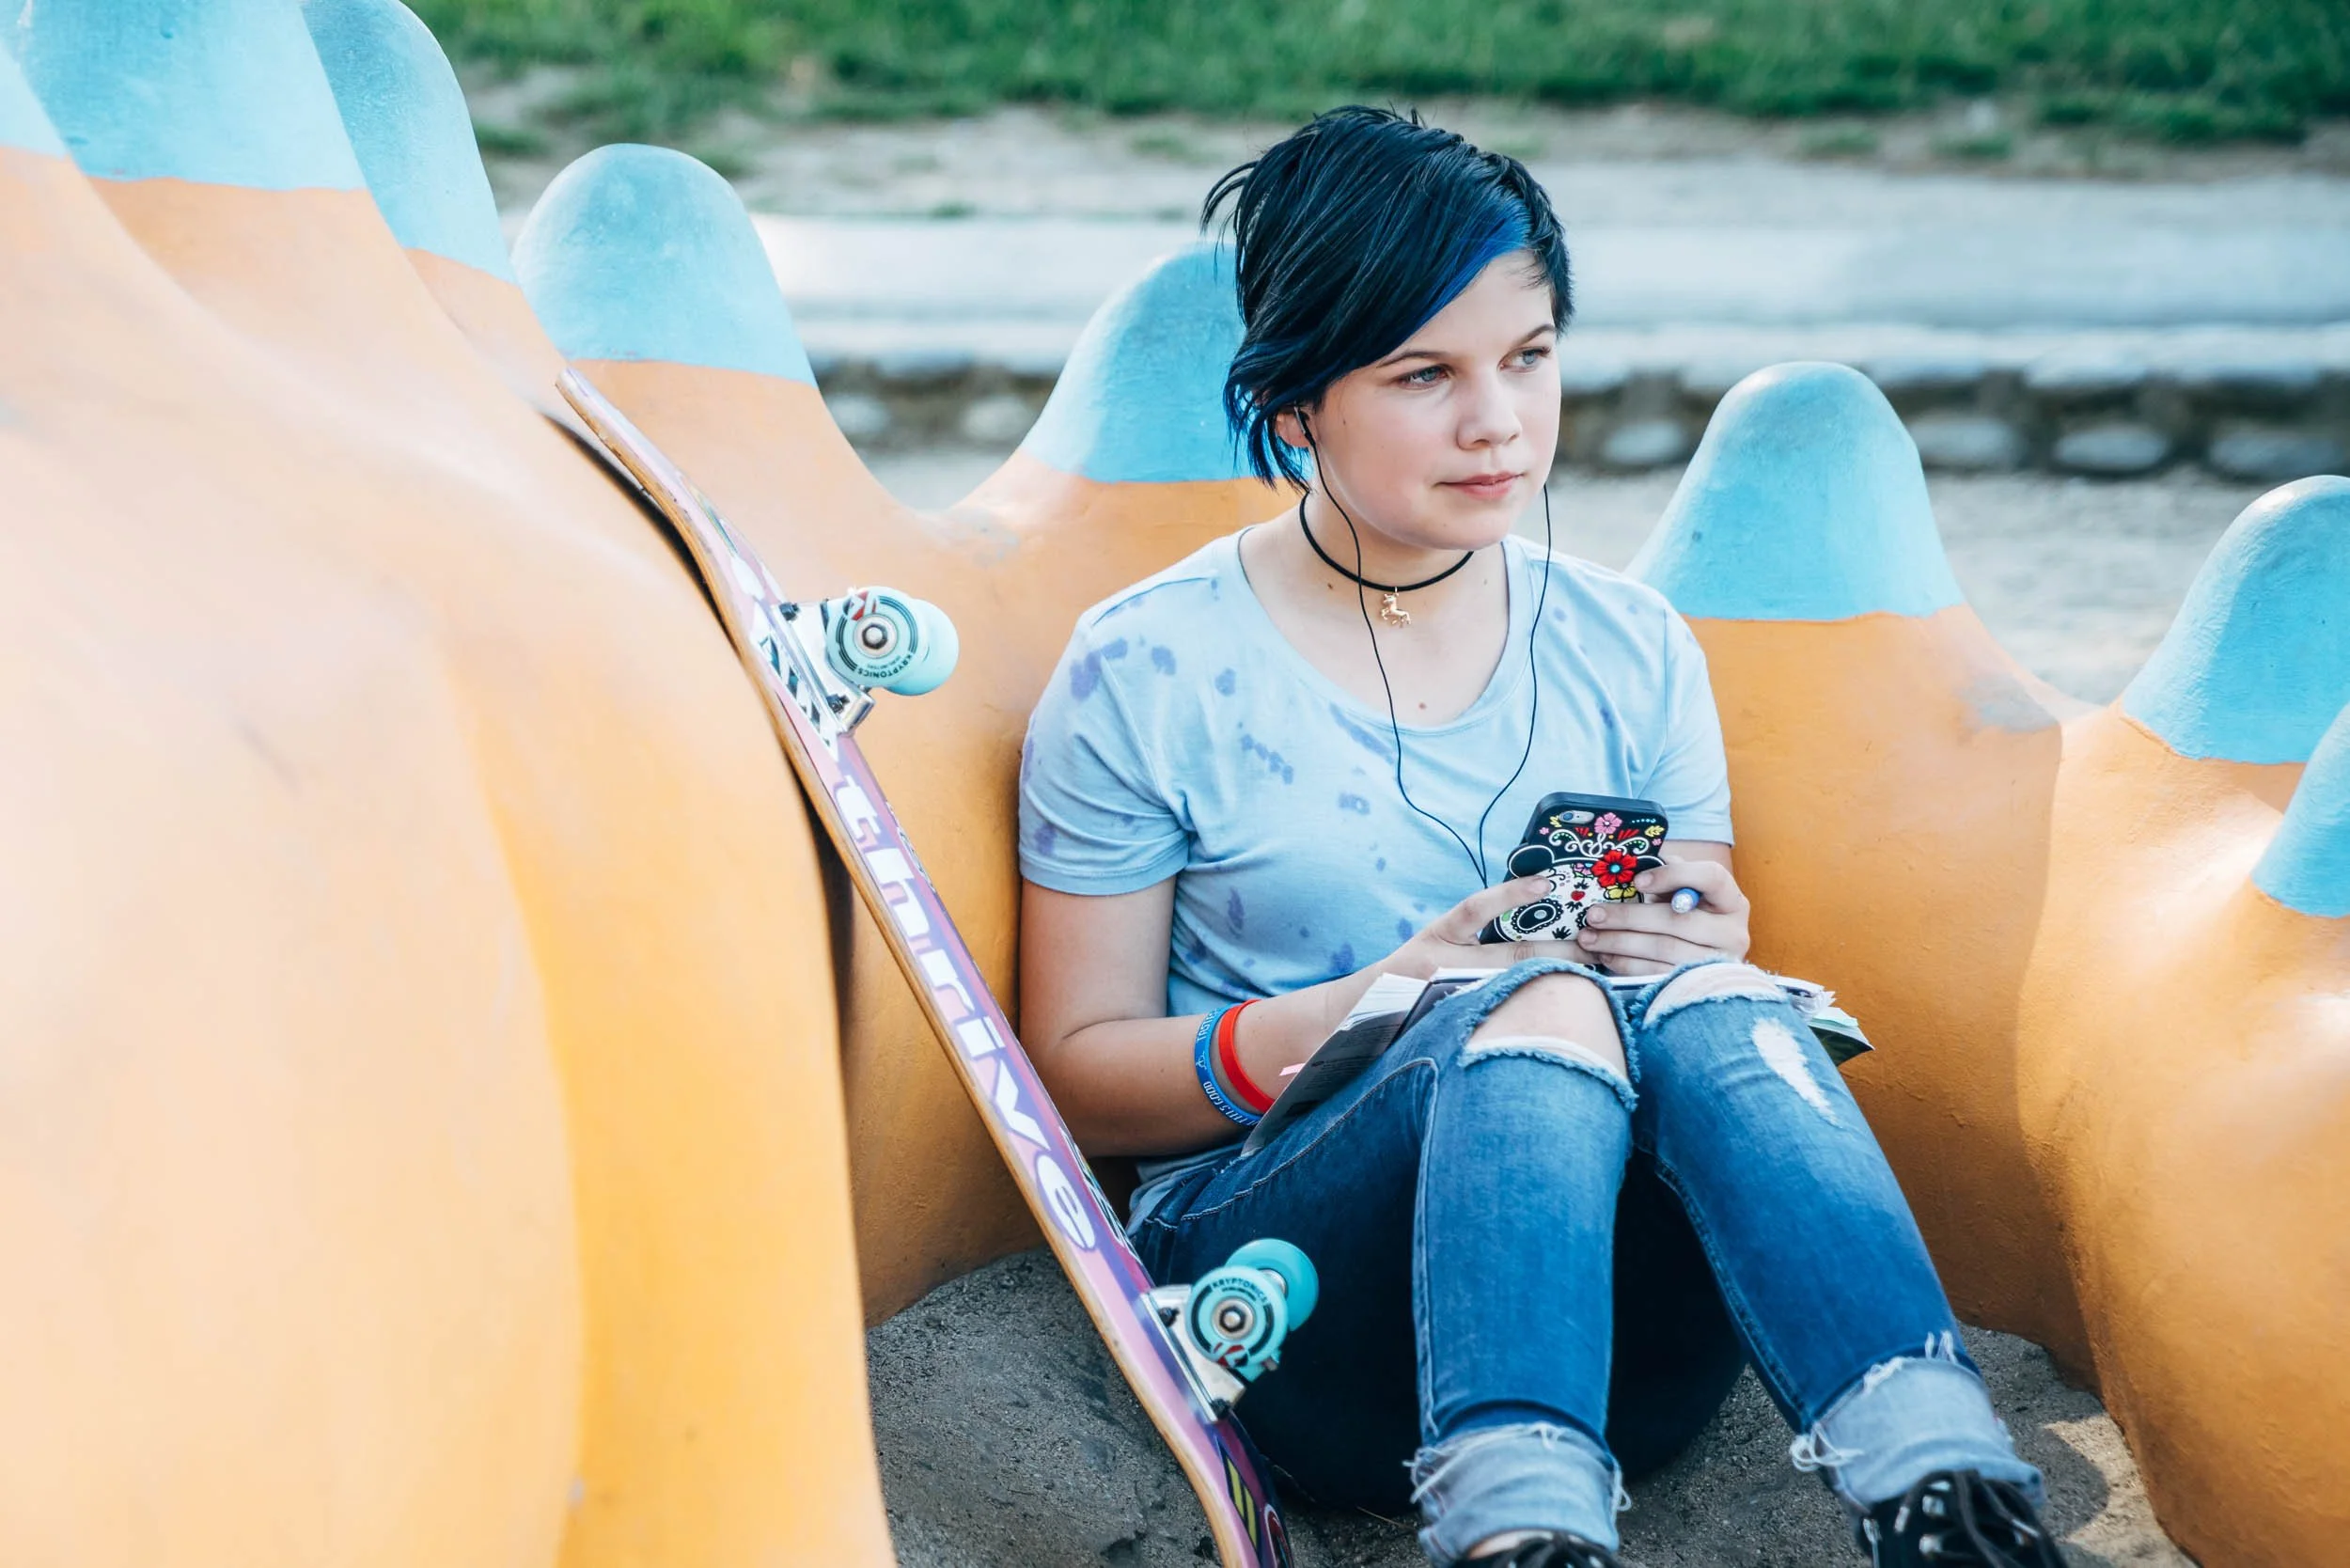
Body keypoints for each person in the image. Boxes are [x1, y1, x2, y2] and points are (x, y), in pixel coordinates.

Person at [1016, 106, 2061, 1568]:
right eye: (1423, 374)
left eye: (1529, 355)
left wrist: (1698, 934)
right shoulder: (1148, 670)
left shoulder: (1632, 651)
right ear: (1300, 396)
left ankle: (1947, 1491)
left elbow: (1690, 918)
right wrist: (1380, 1006)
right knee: (1540, 996)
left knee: (1706, 998)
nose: (1499, 421)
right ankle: (1514, 1529)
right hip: (1300, 1321)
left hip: (1628, 1351)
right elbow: (1069, 1084)